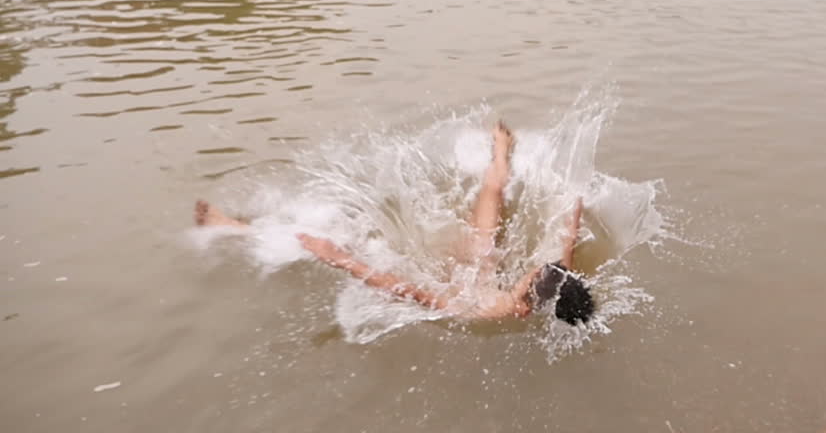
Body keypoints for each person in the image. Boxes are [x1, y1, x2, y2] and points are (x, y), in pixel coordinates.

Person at [194, 122, 595, 325]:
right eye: (546, 270)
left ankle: (228, 227)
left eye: (534, 277)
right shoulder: (555, 282)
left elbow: (409, 291)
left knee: (337, 239)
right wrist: (577, 197)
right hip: (479, 263)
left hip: (440, 268)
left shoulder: (488, 310)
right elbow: (567, 238)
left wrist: (339, 260)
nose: (537, 269)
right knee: (494, 192)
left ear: (526, 308)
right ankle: (501, 151)